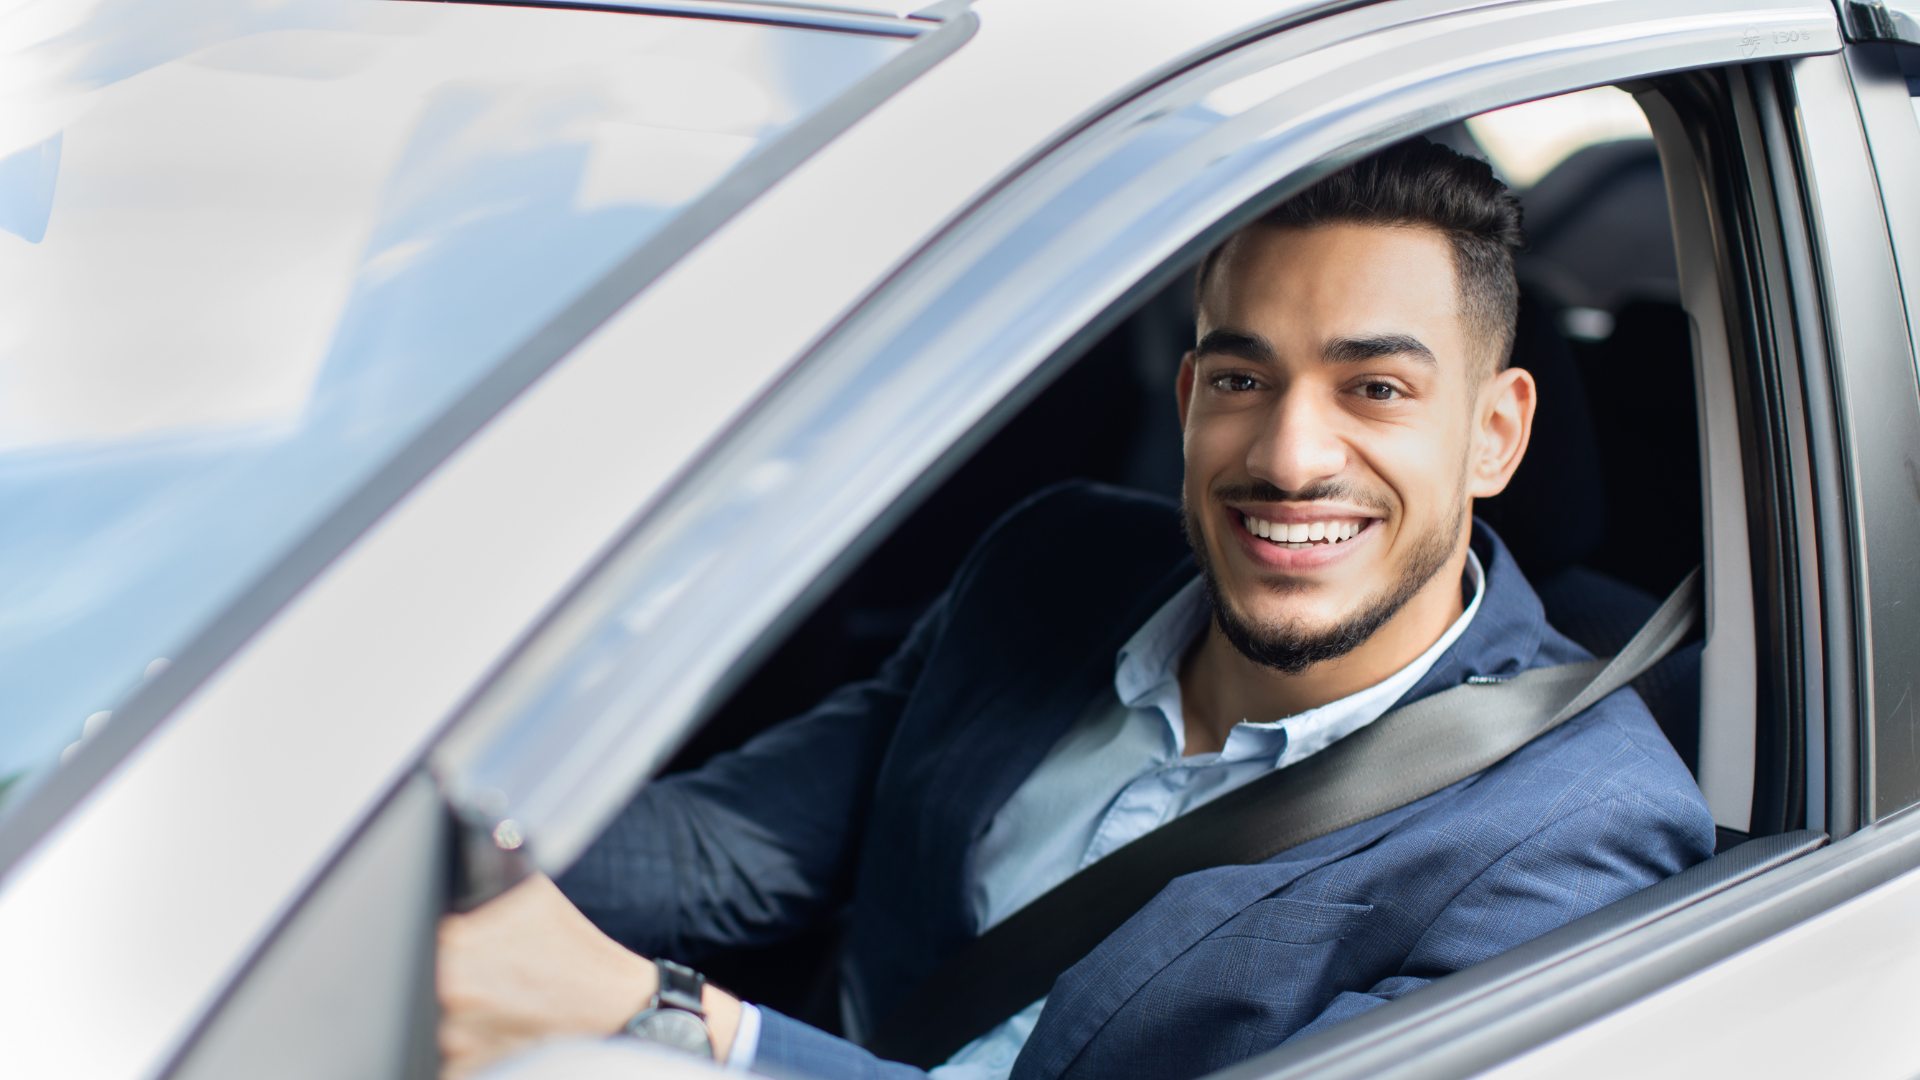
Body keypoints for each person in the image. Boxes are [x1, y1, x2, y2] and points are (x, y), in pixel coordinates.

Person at [436, 139, 1716, 1080]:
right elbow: (729, 853)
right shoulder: (1056, 565)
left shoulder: (1578, 834)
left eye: (1375, 390)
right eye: (1241, 376)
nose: (1287, 455)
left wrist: (674, 1024)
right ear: (1187, 397)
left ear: (1495, 434)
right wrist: (411, 856)